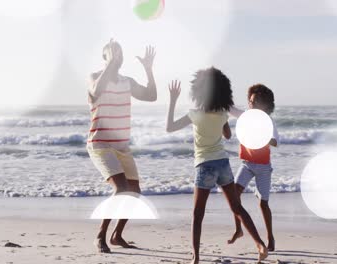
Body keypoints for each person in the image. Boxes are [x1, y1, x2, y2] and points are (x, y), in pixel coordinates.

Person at [165, 68, 268, 263]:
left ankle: (195, 257)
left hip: (204, 166)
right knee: (237, 207)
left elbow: (169, 127)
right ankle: (260, 244)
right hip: (223, 164)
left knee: (198, 214)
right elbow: (228, 134)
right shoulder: (222, 113)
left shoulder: (195, 114)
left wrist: (172, 100)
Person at [87, 39, 157, 253]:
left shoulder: (127, 81)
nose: (118, 56)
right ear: (105, 57)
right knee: (121, 189)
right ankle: (101, 235)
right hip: (100, 144)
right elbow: (96, 91)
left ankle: (117, 235)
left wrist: (148, 69)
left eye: (121, 53)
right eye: (113, 53)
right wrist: (110, 62)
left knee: (134, 191)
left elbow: (151, 96)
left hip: (122, 146)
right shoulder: (94, 78)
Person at [227, 84, 279, 251]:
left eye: (255, 102)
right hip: (247, 164)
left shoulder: (268, 121)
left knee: (263, 204)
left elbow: (275, 141)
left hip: (263, 167)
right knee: (234, 195)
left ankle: (270, 237)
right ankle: (238, 229)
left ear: (264, 104)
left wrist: (261, 134)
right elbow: (229, 108)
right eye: (250, 101)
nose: (252, 105)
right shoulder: (245, 116)